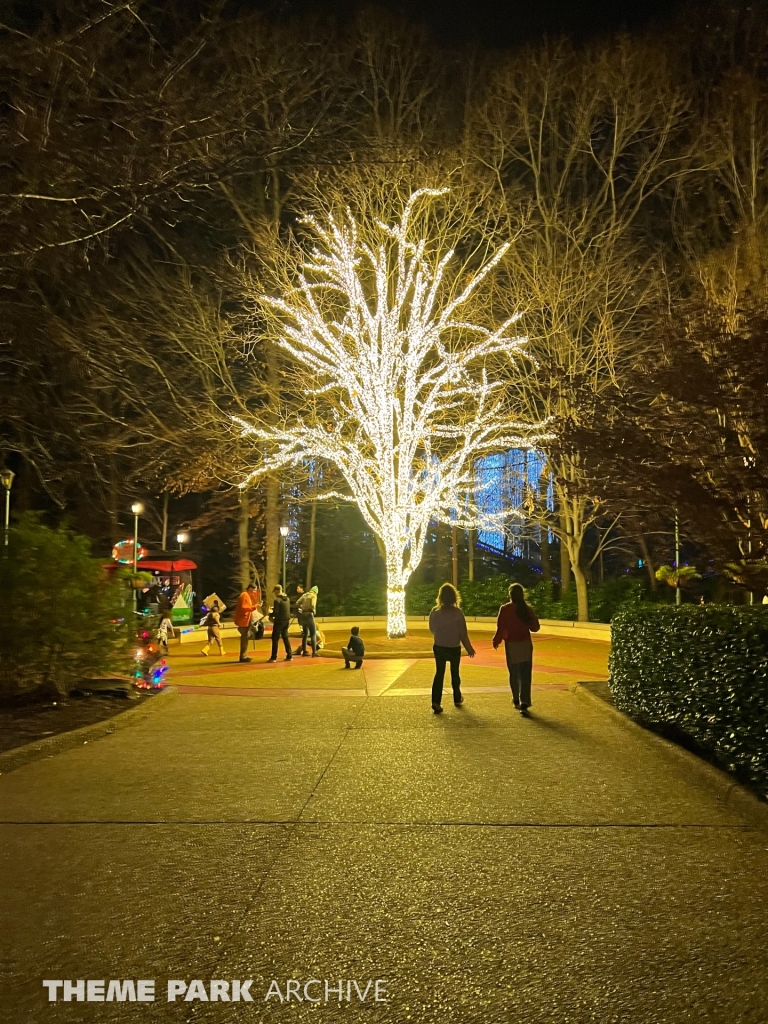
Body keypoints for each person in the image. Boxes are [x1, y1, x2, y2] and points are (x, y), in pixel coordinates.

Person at [492, 583, 540, 715]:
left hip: (512, 644)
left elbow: (501, 627)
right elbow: (535, 627)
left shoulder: (505, 609)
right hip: (525, 644)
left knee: (514, 673)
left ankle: (516, 698)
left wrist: (497, 640)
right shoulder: (526, 609)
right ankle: (525, 700)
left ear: (510, 595)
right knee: (525, 674)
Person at [428, 583, 475, 713]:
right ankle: (457, 697)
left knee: (439, 673)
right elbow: (463, 633)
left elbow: (432, 629)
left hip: (440, 646)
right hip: (454, 647)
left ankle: (436, 701)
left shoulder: (435, 612)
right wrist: (469, 648)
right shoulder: (458, 613)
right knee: (455, 673)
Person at [234, 583, 261, 664]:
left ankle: (244, 655)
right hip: (244, 620)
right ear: (250, 588)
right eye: (254, 590)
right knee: (245, 638)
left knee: (245, 638)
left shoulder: (246, 595)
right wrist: (255, 606)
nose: (254, 592)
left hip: (245, 620)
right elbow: (243, 607)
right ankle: (243, 656)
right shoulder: (244, 595)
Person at [267, 585, 292, 662]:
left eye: (274, 592)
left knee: (275, 639)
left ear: (276, 591)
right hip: (286, 620)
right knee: (285, 637)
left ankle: (273, 657)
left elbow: (276, 613)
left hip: (279, 621)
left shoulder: (277, 600)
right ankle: (289, 655)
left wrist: (270, 613)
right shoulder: (287, 599)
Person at [296, 585, 319, 656]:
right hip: (309, 615)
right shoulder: (313, 596)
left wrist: (302, 607)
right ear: (315, 592)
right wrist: (314, 611)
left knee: (305, 634)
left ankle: (304, 651)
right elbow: (313, 605)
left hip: (303, 615)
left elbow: (297, 603)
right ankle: (314, 652)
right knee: (313, 633)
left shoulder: (304, 595)